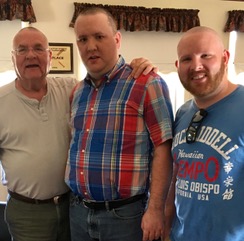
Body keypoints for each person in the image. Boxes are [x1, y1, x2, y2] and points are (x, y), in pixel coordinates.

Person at [0, 26, 156, 241]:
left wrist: (136, 66)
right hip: (28, 213)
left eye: (38, 48)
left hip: (72, 207)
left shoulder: (71, 89)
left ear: (50, 56)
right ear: (12, 57)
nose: (30, 55)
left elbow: (105, 81)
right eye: (22, 50)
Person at [65, 7, 174, 241]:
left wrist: (156, 209)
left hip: (125, 218)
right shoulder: (77, 92)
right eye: (83, 39)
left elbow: (163, 149)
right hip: (78, 212)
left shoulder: (146, 83)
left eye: (99, 36)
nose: (90, 46)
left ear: (117, 39)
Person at [167, 26, 244, 241]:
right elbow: (176, 175)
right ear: (177, 66)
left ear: (225, 57)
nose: (196, 66)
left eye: (205, 56)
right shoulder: (182, 113)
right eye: (186, 59)